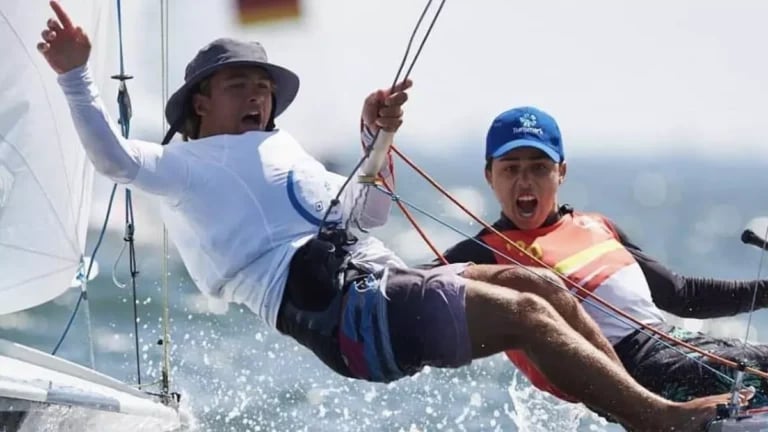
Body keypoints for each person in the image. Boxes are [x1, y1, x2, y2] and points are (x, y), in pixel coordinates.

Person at [37, 2, 742, 430]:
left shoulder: (282, 151)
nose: (256, 97)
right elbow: (112, 159)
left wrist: (377, 136)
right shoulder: (186, 165)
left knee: (539, 285)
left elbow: (366, 212)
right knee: (527, 315)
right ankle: (660, 420)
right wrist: (73, 74)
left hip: (376, 282)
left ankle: (644, 404)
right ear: (202, 102)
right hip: (346, 315)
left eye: (263, 88)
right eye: (239, 86)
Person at [427, 104, 768, 407]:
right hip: (629, 374)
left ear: (561, 172)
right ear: (489, 175)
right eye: (511, 169)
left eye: (539, 167)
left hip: (684, 344)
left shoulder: (598, 226)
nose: (525, 181)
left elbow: (681, 294)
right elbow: (406, 295)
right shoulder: (483, 252)